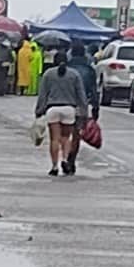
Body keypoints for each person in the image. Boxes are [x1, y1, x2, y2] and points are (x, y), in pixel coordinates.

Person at [35, 52, 88, 176]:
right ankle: (65, 160)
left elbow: (43, 95)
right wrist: (84, 111)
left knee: (55, 139)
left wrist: (39, 110)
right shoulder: (74, 74)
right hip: (69, 109)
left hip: (52, 109)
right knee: (65, 138)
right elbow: (81, 95)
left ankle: (54, 166)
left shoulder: (48, 74)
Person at [67, 41, 100, 175]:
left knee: (64, 134)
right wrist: (95, 107)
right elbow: (94, 90)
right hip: (82, 105)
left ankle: (64, 156)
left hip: (66, 103)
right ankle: (72, 159)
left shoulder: (66, 67)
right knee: (76, 135)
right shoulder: (89, 70)